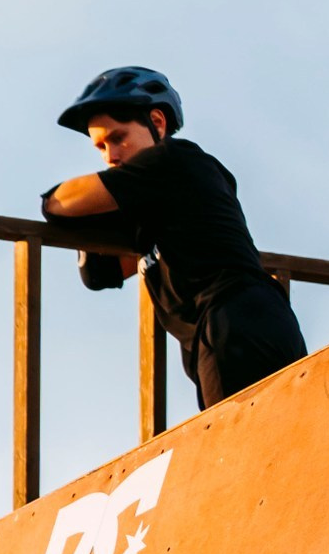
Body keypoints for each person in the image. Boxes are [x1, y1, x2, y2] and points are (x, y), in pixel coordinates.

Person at [43, 66, 305, 408]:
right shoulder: (163, 196)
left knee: (234, 437)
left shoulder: (172, 160)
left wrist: (93, 209)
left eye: (119, 138)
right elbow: (99, 273)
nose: (110, 156)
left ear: (158, 122)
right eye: (101, 147)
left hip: (234, 323)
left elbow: (57, 202)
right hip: (248, 324)